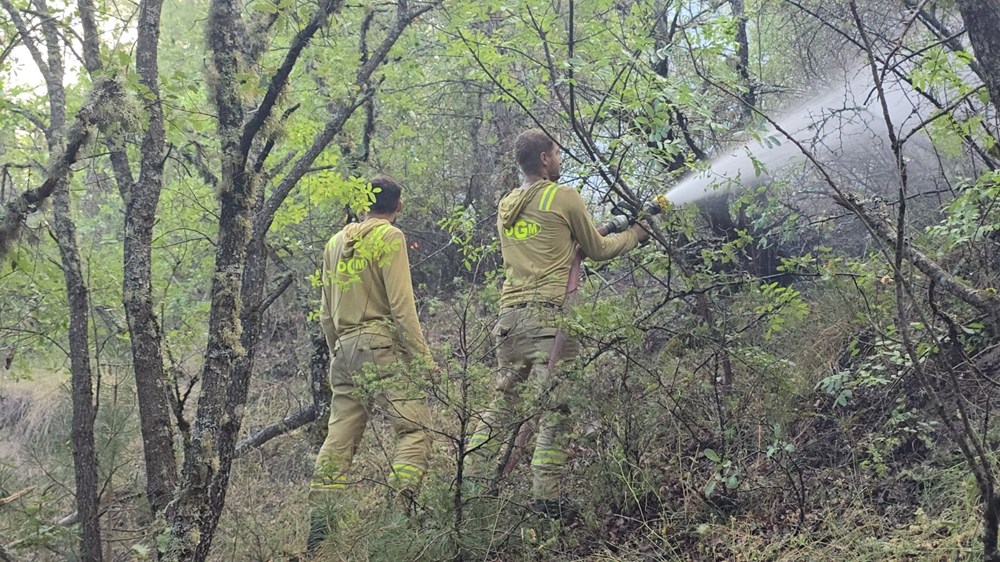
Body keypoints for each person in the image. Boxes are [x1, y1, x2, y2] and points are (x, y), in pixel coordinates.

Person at [467, 128, 649, 521]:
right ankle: (547, 499)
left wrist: (596, 230)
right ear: (545, 159)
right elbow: (596, 251)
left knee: (503, 403)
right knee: (557, 408)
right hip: (550, 317)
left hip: (509, 320)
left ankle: (468, 478)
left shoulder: (507, 204)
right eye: (558, 152)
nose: (560, 158)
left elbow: (554, 248)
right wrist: (636, 233)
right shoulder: (563, 196)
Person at [308, 175, 434, 552]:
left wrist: (339, 350)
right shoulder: (390, 237)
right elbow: (401, 306)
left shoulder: (334, 243)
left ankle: (321, 528)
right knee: (414, 432)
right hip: (380, 345)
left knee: (338, 440)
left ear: (365, 204)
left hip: (343, 349)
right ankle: (399, 518)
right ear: (399, 206)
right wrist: (423, 359)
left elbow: (326, 314)